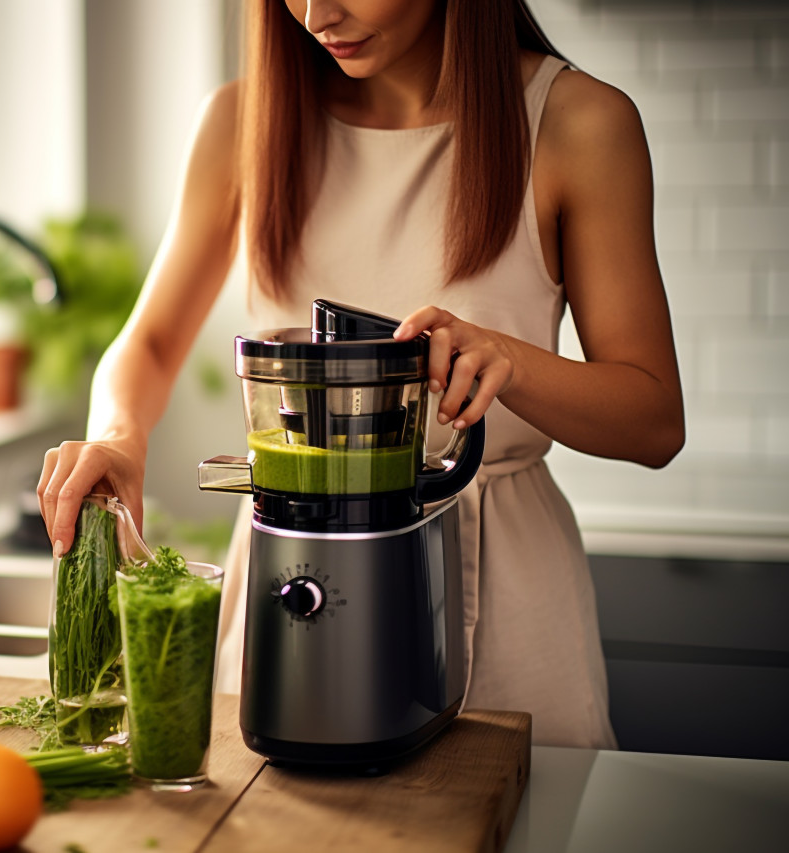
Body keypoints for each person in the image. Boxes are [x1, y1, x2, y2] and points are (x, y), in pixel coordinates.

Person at [36, 0, 684, 749]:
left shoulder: (579, 124)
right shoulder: (242, 121)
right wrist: (119, 437)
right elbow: (147, 342)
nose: (316, 14)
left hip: (505, 589)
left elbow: (654, 419)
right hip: (291, 561)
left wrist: (513, 362)